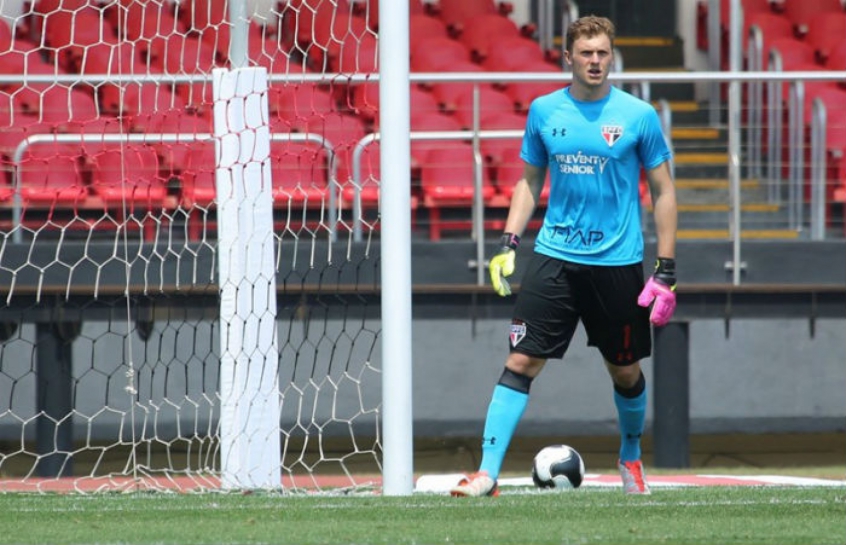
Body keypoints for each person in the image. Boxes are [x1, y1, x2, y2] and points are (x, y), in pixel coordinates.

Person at [450, 15, 678, 497]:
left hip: (618, 263)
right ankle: (487, 473)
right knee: (521, 361)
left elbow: (662, 190)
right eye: (587, 52)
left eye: (602, 52)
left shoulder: (639, 116)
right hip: (554, 257)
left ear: (611, 56)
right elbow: (530, 181)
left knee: (625, 370)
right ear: (568, 57)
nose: (595, 61)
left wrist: (666, 269)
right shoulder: (544, 111)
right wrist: (508, 242)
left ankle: (631, 458)